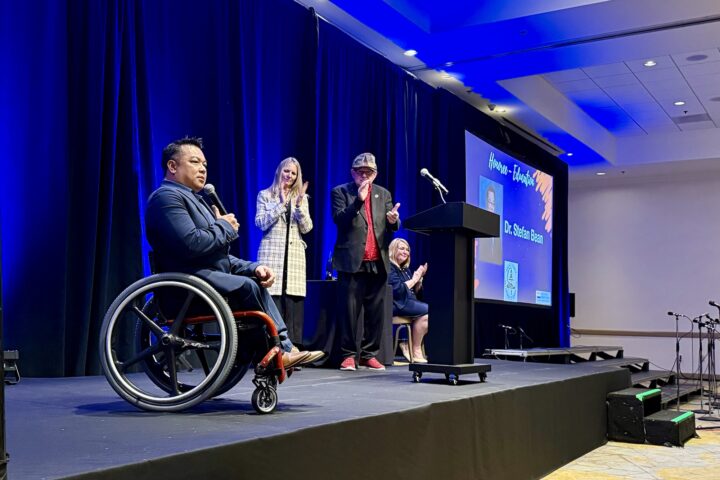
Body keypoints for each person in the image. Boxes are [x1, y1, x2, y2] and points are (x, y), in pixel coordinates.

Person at [145, 137, 323, 369]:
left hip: (205, 276)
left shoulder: (196, 200)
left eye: (205, 165)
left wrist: (254, 267)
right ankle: (282, 349)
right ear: (172, 166)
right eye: (195, 162)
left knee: (253, 279)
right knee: (248, 286)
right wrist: (224, 226)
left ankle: (276, 351)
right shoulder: (166, 197)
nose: (202, 169)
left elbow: (216, 256)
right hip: (185, 284)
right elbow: (192, 244)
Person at [331, 152, 400, 371]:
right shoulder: (341, 191)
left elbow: (390, 226)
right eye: (360, 172)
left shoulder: (383, 194)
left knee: (375, 312)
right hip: (351, 260)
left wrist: (393, 221)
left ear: (375, 174)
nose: (364, 175)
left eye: (368, 172)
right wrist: (358, 201)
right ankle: (349, 355)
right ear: (352, 173)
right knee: (349, 312)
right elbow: (340, 220)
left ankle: (369, 354)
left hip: (377, 260)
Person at [255, 157, 312, 348]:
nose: (289, 175)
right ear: (279, 171)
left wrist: (297, 207)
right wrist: (280, 203)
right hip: (272, 255)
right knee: (273, 300)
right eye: (286, 171)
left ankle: (292, 347)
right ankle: (272, 347)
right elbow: (260, 223)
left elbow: (307, 228)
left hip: (294, 257)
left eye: (293, 173)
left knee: (293, 302)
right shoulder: (265, 195)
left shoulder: (301, 199)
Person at [388, 238, 428, 363]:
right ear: (393, 250)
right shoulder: (390, 267)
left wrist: (419, 281)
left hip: (408, 302)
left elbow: (414, 294)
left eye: (407, 250)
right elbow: (397, 291)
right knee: (430, 311)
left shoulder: (405, 269)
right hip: (397, 304)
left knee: (429, 313)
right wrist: (414, 279)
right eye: (401, 248)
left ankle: (407, 343)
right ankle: (414, 349)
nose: (405, 252)